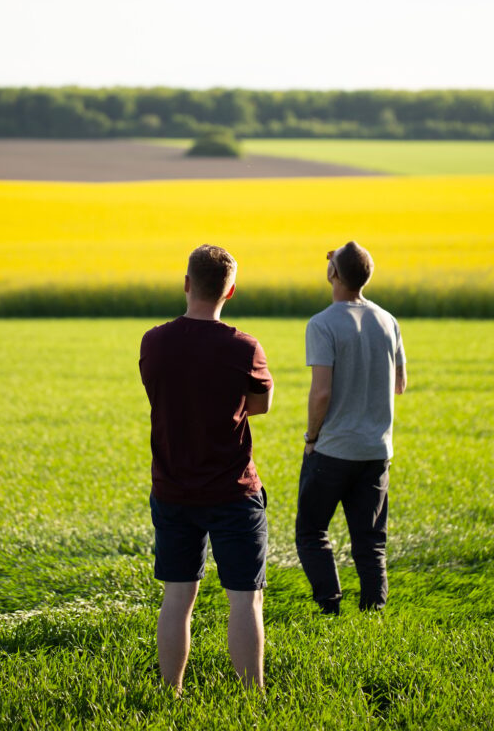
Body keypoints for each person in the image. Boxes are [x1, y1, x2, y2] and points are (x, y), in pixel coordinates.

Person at [139, 244, 274, 693]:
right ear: (230, 291)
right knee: (245, 599)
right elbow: (262, 405)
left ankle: (170, 691)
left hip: (173, 490)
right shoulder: (244, 347)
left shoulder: (154, 341)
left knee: (177, 598)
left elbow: (161, 395)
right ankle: (250, 698)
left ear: (186, 283)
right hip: (234, 491)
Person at [295, 241, 406, 614]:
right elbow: (399, 385)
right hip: (376, 451)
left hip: (333, 449)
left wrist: (312, 438)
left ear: (333, 275)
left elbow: (321, 392)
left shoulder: (322, 323)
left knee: (312, 532)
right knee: (370, 541)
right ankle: (372, 612)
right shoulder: (388, 320)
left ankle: (330, 607)